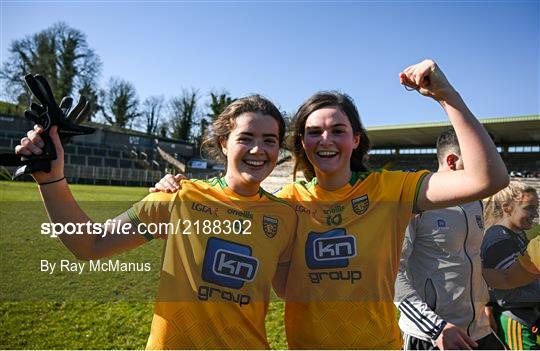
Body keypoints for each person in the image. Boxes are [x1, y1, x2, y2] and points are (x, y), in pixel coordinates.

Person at [152, 59, 509, 349]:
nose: (326, 139)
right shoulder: (285, 205)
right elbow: (279, 284)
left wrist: (446, 96)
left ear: (355, 139)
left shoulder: (390, 189)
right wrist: (174, 190)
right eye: (313, 132)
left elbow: (487, 179)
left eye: (338, 130)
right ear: (302, 143)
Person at [15, 95, 297, 349]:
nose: (258, 149)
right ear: (224, 143)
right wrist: (51, 179)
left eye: (269, 140)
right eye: (246, 138)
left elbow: (293, 289)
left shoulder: (285, 216)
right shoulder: (178, 197)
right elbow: (90, 244)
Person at [394, 127, 505, 350]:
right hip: (432, 337)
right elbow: (392, 275)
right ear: (452, 161)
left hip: (479, 331)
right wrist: (435, 327)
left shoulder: (475, 202)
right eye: (480, 161)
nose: (488, 169)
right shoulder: (413, 203)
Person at [481, 181, 540, 350]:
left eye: (535, 208)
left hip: (525, 316)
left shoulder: (515, 235)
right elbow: (506, 294)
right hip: (515, 320)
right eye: (529, 208)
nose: (534, 214)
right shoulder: (499, 240)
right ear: (507, 208)